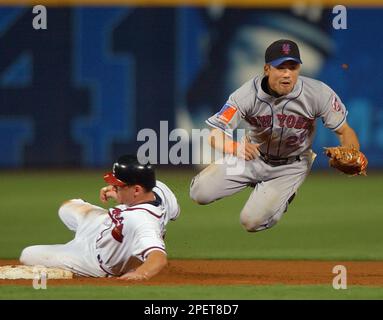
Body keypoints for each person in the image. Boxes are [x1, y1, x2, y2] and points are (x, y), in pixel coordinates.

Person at [190, 39, 364, 232]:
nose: (287, 74)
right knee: (199, 193)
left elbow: (345, 131)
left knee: (251, 222)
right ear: (266, 69)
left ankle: (285, 195)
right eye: (281, 67)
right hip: (252, 156)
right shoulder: (246, 94)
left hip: (291, 166)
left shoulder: (318, 93)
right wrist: (235, 148)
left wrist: (351, 151)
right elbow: (214, 134)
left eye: (293, 67)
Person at [20, 154, 180, 280]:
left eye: (118, 186)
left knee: (27, 254)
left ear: (137, 190)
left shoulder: (142, 221)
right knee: (66, 207)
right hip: (102, 224)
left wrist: (141, 274)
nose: (113, 187)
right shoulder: (159, 188)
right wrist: (120, 194)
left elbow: (158, 258)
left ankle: (73, 266)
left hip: (92, 260)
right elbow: (175, 212)